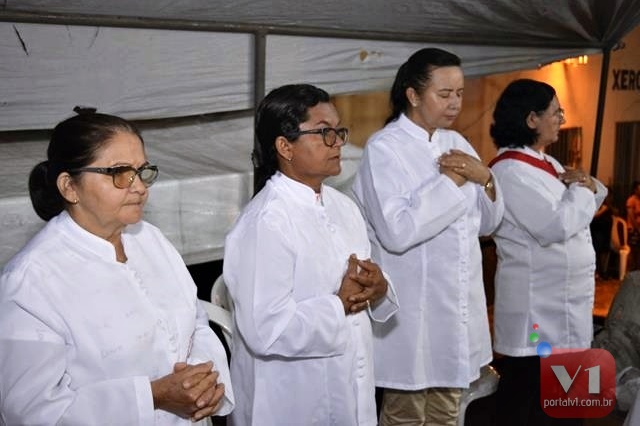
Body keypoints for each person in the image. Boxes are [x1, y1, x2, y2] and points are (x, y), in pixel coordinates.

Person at [0, 111, 234, 425]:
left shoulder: (150, 239)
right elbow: (31, 411)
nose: (140, 187)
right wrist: (152, 396)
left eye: (142, 171)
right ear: (70, 187)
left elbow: (196, 320)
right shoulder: (31, 281)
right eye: (120, 173)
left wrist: (205, 382)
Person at [223, 83, 399, 425]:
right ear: (285, 147)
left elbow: (360, 283)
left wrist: (378, 287)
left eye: (338, 131)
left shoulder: (344, 207)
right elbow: (265, 329)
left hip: (348, 380)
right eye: (324, 133)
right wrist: (339, 305)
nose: (338, 142)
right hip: (290, 396)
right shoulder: (265, 222)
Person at [351, 47, 504, 426]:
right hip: (414, 308)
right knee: (405, 413)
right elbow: (397, 231)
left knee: (447, 411)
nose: (455, 103)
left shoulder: (457, 143)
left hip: (456, 304)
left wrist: (486, 178)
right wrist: (450, 182)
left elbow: (487, 224)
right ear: (414, 95)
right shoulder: (385, 148)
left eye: (460, 93)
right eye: (444, 94)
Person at [488, 79, 607, 426]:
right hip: (537, 313)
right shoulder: (509, 171)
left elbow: (594, 195)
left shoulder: (548, 163)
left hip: (565, 308)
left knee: (567, 407)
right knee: (531, 406)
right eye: (556, 112)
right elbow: (556, 225)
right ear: (531, 119)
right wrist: (582, 189)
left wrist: (585, 187)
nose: (562, 119)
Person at [590, 190, 614, 279]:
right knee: (597, 250)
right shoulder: (597, 205)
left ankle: (603, 271)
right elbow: (592, 216)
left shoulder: (608, 208)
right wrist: (603, 210)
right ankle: (597, 271)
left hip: (605, 232)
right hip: (597, 231)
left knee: (604, 251)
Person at [626, 181, 640, 271]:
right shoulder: (631, 200)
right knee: (634, 251)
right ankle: (632, 271)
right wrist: (638, 228)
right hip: (634, 230)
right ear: (635, 190)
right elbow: (631, 216)